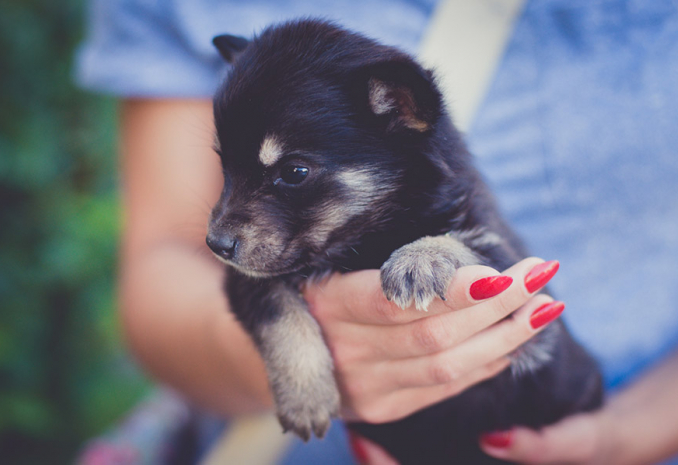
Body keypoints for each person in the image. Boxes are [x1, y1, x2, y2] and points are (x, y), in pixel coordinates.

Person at [76, 0, 678, 463]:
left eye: (293, 173)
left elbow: (488, 256)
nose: (225, 222)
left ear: (402, 112)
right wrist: (287, 362)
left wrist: (632, 433)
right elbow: (163, 265)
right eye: (229, 172)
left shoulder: (438, 187)